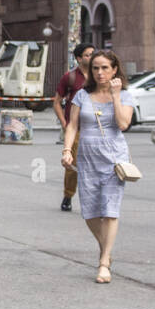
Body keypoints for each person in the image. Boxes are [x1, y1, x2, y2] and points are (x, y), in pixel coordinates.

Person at [61, 49, 134, 284]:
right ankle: (107, 249)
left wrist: (115, 95)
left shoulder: (125, 95)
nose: (100, 72)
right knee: (90, 212)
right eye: (95, 68)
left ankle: (103, 262)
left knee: (110, 210)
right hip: (87, 156)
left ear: (115, 70)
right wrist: (66, 150)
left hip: (114, 158)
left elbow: (123, 124)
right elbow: (72, 126)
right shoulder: (82, 95)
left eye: (105, 68)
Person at [52, 42, 94, 210]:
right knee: (72, 163)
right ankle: (68, 195)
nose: (91, 57)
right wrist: (64, 122)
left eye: (93, 54)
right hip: (75, 127)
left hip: (94, 127)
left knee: (95, 163)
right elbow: (56, 102)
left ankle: (92, 198)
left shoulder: (98, 76)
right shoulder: (70, 77)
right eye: (87, 55)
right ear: (78, 58)